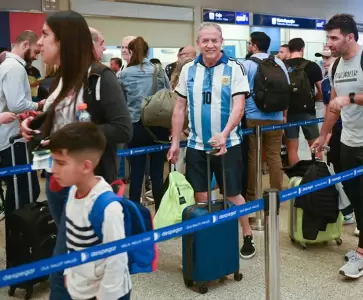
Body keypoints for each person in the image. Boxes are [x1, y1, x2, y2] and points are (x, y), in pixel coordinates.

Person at [20, 11, 132, 299]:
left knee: (73, 269)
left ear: (65, 41)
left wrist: (71, 138)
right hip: (60, 186)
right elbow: (56, 125)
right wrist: (34, 127)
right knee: (75, 268)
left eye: (45, 35)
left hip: (90, 186)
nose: (39, 43)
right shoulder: (60, 81)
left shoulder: (100, 77)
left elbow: (122, 128)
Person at [312, 14, 363, 279]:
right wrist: (324, 135)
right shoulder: (335, 66)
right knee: (354, 193)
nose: (330, 43)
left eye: (334, 37)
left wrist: (351, 98)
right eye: (328, 37)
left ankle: (360, 257)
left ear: (350, 37)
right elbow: (333, 106)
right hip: (348, 140)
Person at [168, 22, 256, 259]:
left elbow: (239, 108)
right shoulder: (188, 70)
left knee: (232, 193)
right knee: (201, 195)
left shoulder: (235, 68)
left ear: (221, 42)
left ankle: (247, 234)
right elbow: (179, 108)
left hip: (229, 144)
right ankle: (210, 237)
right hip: (196, 145)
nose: (209, 45)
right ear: (198, 43)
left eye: (214, 40)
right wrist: (176, 141)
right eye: (205, 41)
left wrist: (225, 134)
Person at [48, 122, 131, 300]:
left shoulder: (108, 207)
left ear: (86, 166)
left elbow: (117, 261)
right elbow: (72, 240)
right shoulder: (72, 192)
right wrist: (69, 274)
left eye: (61, 163)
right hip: (80, 289)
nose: (54, 170)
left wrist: (104, 296)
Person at [119, 37, 170, 211]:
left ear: (131, 52)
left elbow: (120, 100)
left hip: (136, 126)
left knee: (136, 172)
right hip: (159, 126)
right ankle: (160, 213)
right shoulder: (159, 70)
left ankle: (135, 212)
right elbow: (169, 94)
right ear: (147, 52)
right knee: (157, 172)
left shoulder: (124, 73)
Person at [0, 30, 42, 221]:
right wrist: (39, 105)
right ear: (25, 45)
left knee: (24, 190)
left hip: (10, 137)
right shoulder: (15, 67)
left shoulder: (7, 65)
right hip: (12, 139)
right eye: (35, 51)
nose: (35, 56)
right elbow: (17, 104)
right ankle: (18, 241)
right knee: (22, 194)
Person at [242, 32, 290, 200]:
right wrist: (284, 116)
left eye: (249, 43)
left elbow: (241, 93)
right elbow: (286, 91)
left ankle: (252, 195)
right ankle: (277, 194)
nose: (248, 46)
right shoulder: (279, 63)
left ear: (254, 46)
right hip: (276, 118)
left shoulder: (247, 64)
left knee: (253, 157)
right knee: (274, 156)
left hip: (254, 117)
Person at [315, 46, 355, 225]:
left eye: (327, 58)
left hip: (350, 130)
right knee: (334, 167)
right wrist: (326, 133)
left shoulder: (347, 79)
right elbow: (328, 108)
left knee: (348, 169)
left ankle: (352, 209)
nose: (324, 61)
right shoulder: (325, 82)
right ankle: (346, 209)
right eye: (322, 58)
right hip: (336, 131)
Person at [285, 38, 323, 165]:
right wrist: (314, 99)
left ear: (289, 50)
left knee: (291, 149)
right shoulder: (313, 66)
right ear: (302, 49)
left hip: (288, 112)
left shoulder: (283, 66)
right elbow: (321, 91)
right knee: (315, 146)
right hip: (308, 111)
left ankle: (296, 178)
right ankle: (318, 176)